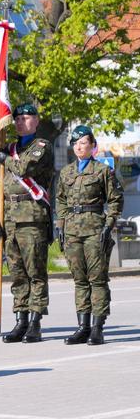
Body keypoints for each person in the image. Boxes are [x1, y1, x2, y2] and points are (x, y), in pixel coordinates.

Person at [0, 103, 54, 344]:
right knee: (17, 273)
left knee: (35, 272)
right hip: (10, 219)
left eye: (26, 118)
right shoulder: (9, 149)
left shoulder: (42, 147)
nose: (20, 122)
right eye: (17, 119)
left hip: (31, 216)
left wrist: (5, 157)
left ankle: (36, 322)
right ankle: (21, 319)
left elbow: (25, 169)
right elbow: (0, 186)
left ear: (36, 121)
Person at [56, 125, 124, 345]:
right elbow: (61, 201)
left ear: (93, 146)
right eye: (75, 143)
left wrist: (109, 225)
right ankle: (82, 327)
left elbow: (115, 199)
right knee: (80, 280)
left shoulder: (102, 170)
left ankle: (97, 327)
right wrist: (61, 226)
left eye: (83, 142)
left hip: (95, 229)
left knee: (97, 279)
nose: (78, 147)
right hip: (72, 231)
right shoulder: (66, 172)